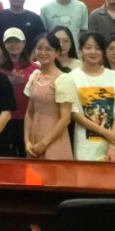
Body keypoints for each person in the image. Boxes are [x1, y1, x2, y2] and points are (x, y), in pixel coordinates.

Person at [69, 32, 115, 163]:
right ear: (80, 51)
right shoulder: (72, 77)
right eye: (88, 47)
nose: (93, 52)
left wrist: (113, 146)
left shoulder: (113, 76)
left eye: (98, 48)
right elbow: (75, 114)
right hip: (87, 146)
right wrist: (106, 133)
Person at [23, 32, 76, 160]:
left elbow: (65, 119)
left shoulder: (63, 79)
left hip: (54, 139)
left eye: (49, 49)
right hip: (34, 137)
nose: (43, 52)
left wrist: (44, 144)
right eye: (39, 48)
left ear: (57, 53)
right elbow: (29, 113)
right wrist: (27, 140)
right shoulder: (35, 76)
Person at [0, 28, 37, 157]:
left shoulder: (35, 68)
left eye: (17, 41)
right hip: (4, 119)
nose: (13, 44)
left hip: (27, 119)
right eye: (10, 41)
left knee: (26, 155)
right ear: (4, 44)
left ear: (24, 43)